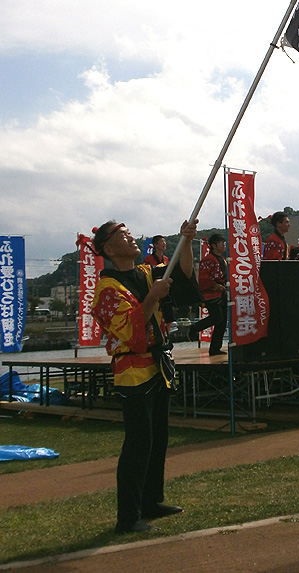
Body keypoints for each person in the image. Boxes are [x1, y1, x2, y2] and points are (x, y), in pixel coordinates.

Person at [91, 218, 200, 534]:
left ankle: (151, 501)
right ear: (109, 248)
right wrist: (153, 296)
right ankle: (127, 516)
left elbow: (183, 276)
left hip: (158, 365)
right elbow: (129, 329)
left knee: (159, 438)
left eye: (128, 232)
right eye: (122, 235)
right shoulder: (106, 289)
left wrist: (188, 241)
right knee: (139, 442)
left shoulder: (144, 273)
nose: (130, 237)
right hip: (132, 370)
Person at [188, 233, 228, 355]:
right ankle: (194, 328)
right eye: (222, 243)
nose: (224, 245)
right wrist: (215, 285)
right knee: (217, 318)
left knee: (222, 322)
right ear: (214, 245)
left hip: (221, 293)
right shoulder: (207, 259)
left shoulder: (223, 259)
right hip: (211, 294)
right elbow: (204, 278)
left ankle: (215, 348)